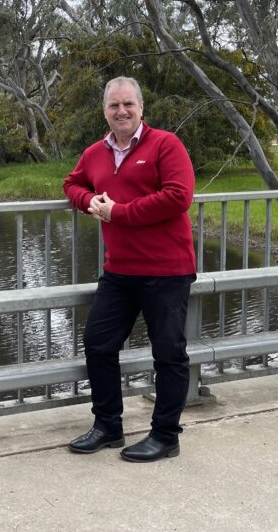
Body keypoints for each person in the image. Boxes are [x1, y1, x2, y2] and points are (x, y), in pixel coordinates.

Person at [62, 76, 196, 462]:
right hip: (119, 271)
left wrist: (117, 213)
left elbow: (178, 196)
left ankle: (166, 436)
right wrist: (90, 201)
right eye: (113, 105)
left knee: (169, 354)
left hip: (167, 269)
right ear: (104, 111)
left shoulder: (165, 145)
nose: (121, 111)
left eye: (128, 104)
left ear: (141, 108)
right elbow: (71, 183)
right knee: (98, 343)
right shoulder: (95, 153)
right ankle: (108, 426)